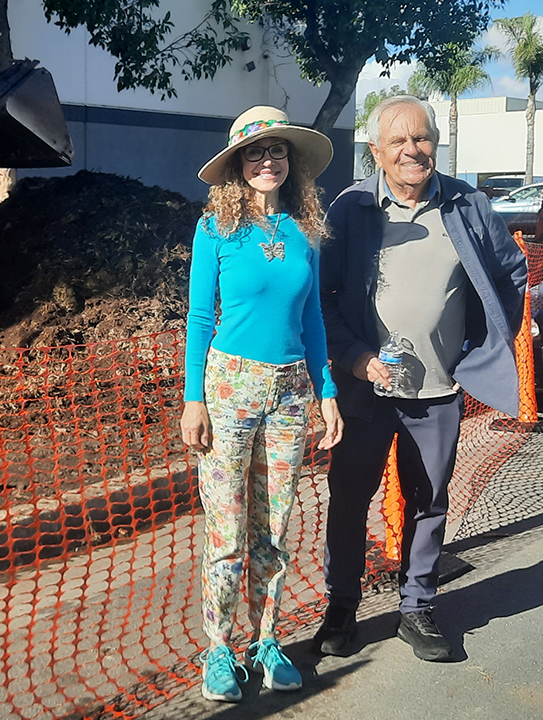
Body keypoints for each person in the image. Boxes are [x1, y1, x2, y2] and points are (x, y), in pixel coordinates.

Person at [316, 95, 527, 662]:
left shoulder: (468, 204)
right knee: (348, 497)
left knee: (428, 501)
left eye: (423, 138)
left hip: (438, 390)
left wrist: (480, 346)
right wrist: (355, 357)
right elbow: (323, 299)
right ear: (378, 153)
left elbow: (511, 272)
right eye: (400, 142)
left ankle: (417, 606)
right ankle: (341, 607)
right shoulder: (351, 208)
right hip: (365, 389)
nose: (413, 150)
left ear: (436, 142)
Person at [181, 106, 343, 702]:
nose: (267, 161)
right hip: (228, 389)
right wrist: (192, 398)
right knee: (226, 529)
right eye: (255, 152)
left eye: (276, 151)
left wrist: (326, 391)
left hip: (292, 391)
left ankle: (266, 641)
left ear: (290, 163)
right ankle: (219, 650)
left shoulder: (306, 231)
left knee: (272, 526)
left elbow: (313, 318)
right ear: (237, 165)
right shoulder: (214, 229)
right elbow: (200, 319)